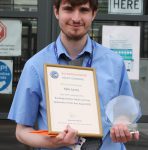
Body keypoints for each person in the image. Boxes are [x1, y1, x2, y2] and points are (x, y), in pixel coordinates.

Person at [8, 0, 140, 149]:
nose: (76, 18)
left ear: (93, 13)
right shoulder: (35, 66)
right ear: (56, 12)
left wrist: (125, 126)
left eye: (83, 10)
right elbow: (22, 131)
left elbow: (128, 120)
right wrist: (52, 142)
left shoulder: (115, 63)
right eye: (69, 9)